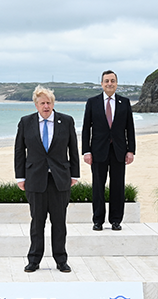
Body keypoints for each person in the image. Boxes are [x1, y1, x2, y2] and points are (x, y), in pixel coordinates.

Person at [15, 85, 79, 273]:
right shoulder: (25, 122)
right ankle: (34, 259)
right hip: (35, 179)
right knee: (37, 222)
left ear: (53, 103)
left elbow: (73, 149)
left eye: (49, 102)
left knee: (59, 222)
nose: (46, 106)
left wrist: (74, 174)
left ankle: (61, 259)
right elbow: (19, 151)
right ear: (36, 105)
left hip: (60, 179)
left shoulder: (66, 121)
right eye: (42, 103)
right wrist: (20, 177)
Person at [82, 70, 135, 231]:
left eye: (112, 81)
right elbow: (86, 129)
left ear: (116, 83)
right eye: (106, 81)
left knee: (118, 186)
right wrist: (86, 151)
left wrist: (131, 150)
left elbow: (130, 128)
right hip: (98, 151)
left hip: (119, 150)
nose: (109, 84)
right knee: (98, 186)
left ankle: (116, 220)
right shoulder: (93, 102)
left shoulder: (124, 102)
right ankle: (98, 220)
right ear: (102, 84)